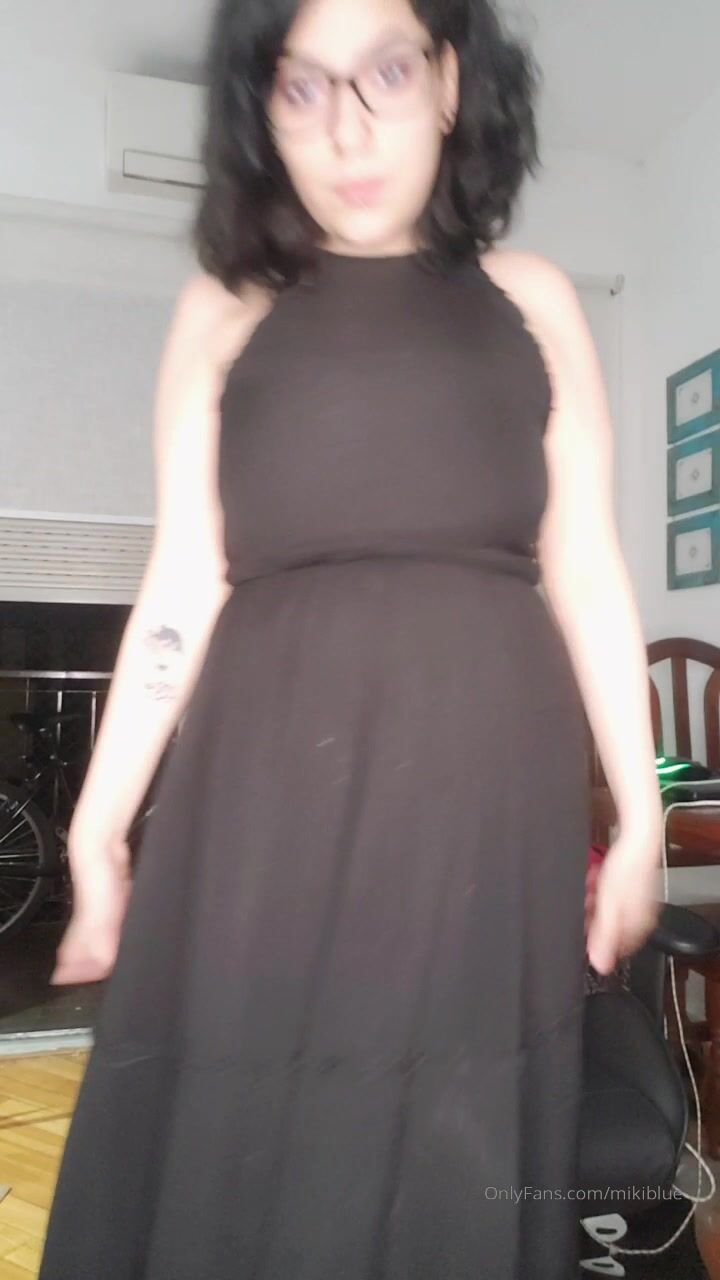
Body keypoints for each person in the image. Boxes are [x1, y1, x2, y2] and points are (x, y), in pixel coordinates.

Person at [38, 0, 664, 1276]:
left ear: (451, 82)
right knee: (246, 1122)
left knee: (455, 1131)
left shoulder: (534, 299)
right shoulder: (224, 309)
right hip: (265, 793)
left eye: (385, 73)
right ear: (263, 115)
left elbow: (589, 566)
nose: (348, 129)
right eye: (302, 87)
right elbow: (182, 580)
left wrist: (645, 816)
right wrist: (98, 829)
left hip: (483, 805)